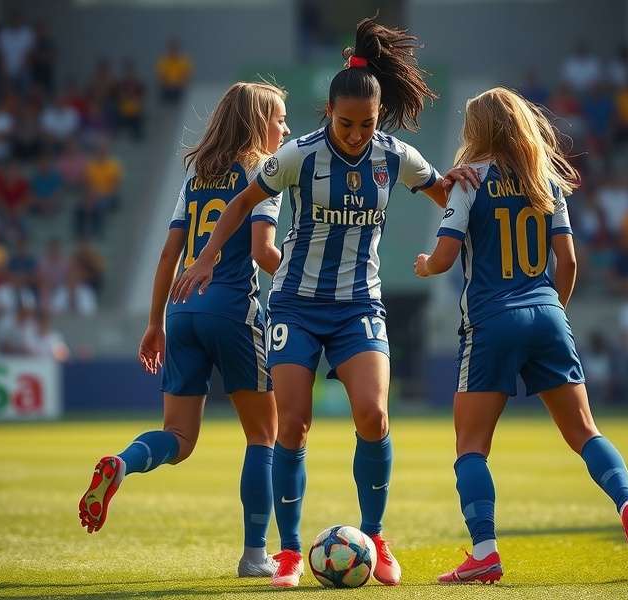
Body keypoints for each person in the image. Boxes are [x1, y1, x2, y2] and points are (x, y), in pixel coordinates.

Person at [170, 17, 479, 589]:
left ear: (378, 117)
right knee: (294, 424)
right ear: (328, 114)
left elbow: (445, 196)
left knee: (374, 414)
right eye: (345, 122)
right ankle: (289, 552)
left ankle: (376, 537)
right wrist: (209, 254)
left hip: (360, 305)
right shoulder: (296, 155)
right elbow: (239, 205)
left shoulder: (395, 156)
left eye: (365, 124)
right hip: (295, 305)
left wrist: (459, 189)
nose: (356, 133)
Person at [413, 87, 628, 583]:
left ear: (476, 131)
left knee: (471, 446)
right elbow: (566, 262)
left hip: (490, 321)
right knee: (586, 432)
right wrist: (550, 312)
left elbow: (443, 260)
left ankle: (484, 552)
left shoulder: (469, 181)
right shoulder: (544, 178)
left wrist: (422, 267)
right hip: (547, 314)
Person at [78, 81, 290, 578]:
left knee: (179, 436)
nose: (286, 128)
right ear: (259, 122)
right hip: (233, 309)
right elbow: (262, 251)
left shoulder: (195, 176)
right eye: (280, 118)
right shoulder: (263, 172)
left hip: (183, 312)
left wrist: (155, 323)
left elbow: (169, 256)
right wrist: (307, 280)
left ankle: (123, 464)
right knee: (264, 435)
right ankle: (255, 555)